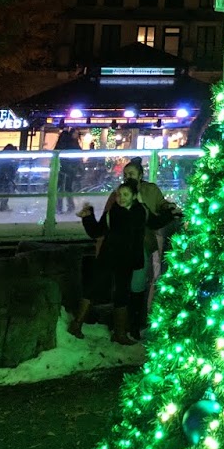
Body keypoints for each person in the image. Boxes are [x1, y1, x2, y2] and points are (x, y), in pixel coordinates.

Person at [68, 183, 176, 344]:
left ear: (134, 196)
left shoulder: (142, 211)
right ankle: (76, 324)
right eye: (119, 195)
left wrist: (170, 213)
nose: (121, 198)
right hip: (108, 257)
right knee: (93, 287)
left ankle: (120, 333)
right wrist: (88, 217)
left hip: (127, 260)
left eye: (125, 194)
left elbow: (155, 223)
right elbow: (97, 231)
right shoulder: (112, 212)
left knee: (122, 294)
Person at [53, 125, 82, 212]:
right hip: (68, 168)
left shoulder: (63, 143)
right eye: (75, 133)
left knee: (61, 187)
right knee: (67, 187)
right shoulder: (72, 144)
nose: (76, 135)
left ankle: (60, 207)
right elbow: (77, 155)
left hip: (62, 168)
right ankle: (69, 206)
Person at [0, 143, 18, 211]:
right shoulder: (9, 158)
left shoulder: (0, 156)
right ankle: (3, 206)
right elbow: (12, 168)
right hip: (6, 177)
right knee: (6, 191)